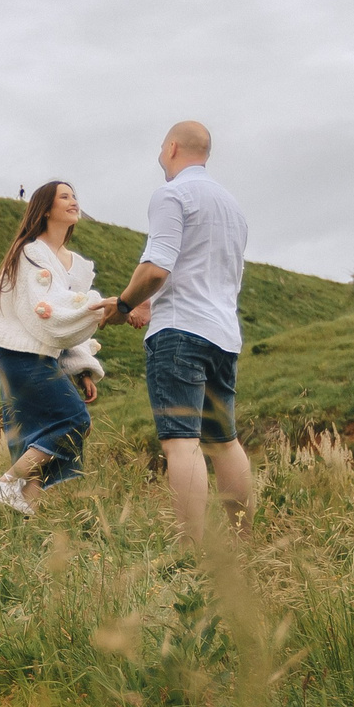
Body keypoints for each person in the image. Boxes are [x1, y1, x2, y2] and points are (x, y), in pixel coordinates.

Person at [110, 120, 253, 540]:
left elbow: (157, 268)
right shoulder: (232, 207)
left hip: (179, 333)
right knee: (224, 442)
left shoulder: (172, 194)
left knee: (181, 443)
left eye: (160, 149)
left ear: (172, 147)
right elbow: (210, 272)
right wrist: (147, 300)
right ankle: (243, 542)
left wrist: (124, 304)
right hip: (223, 334)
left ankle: (192, 549)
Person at [0, 181, 115, 516]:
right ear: (46, 209)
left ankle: (27, 511)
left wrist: (81, 368)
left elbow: (69, 319)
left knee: (41, 434)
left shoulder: (76, 265)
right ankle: (6, 483)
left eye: (75, 196)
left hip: (46, 354)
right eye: (64, 196)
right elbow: (50, 309)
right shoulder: (31, 253)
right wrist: (99, 304)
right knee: (75, 420)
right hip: (19, 355)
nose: (73, 201)